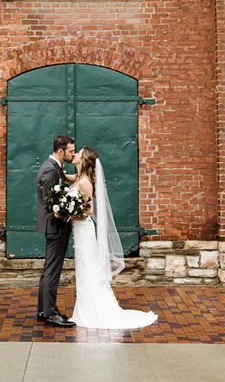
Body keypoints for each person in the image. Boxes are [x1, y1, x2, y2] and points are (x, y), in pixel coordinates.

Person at [67, 146, 158, 329]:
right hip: (79, 233)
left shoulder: (85, 183)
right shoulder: (79, 179)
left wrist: (67, 212)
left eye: (78, 153)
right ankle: (84, 310)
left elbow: (89, 210)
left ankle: (94, 312)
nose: (75, 154)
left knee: (88, 269)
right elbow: (69, 179)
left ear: (83, 160)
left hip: (84, 231)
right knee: (84, 269)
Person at [36, 134, 76, 327]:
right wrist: (71, 211)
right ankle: (51, 313)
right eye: (70, 151)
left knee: (48, 270)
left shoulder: (53, 167)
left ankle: (44, 310)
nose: (72, 154)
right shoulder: (50, 169)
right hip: (56, 227)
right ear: (61, 151)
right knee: (52, 271)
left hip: (54, 227)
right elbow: (52, 202)